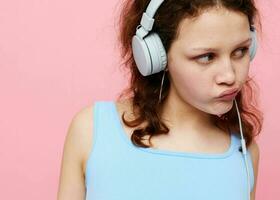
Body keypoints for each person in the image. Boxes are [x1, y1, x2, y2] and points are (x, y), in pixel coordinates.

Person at [57, 0, 264, 199]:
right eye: (207, 57)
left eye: (240, 51)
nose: (229, 76)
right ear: (157, 56)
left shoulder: (244, 154)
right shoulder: (91, 131)